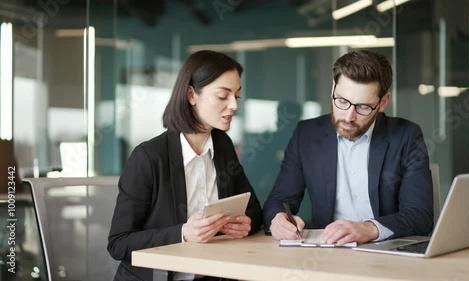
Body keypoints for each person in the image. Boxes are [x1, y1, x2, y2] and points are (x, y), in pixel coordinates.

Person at [108, 50, 263, 281]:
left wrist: (244, 225)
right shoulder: (148, 157)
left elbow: (253, 211)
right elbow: (119, 243)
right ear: (191, 94)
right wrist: (182, 233)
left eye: (237, 96)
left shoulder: (223, 146)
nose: (233, 106)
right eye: (223, 96)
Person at [263, 50, 433, 246]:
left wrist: (369, 228)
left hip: (386, 254)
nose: (348, 116)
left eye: (363, 107)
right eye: (342, 101)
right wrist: (278, 219)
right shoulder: (307, 135)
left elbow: (421, 216)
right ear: (333, 88)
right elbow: (278, 199)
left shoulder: (406, 136)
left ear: (383, 102)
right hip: (325, 253)